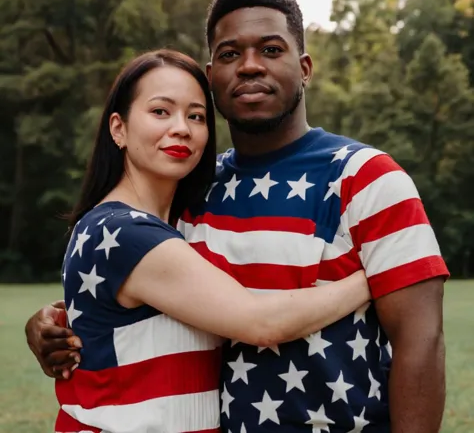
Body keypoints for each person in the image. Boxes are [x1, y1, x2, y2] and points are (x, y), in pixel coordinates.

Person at [25, 0, 448, 433]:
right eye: (229, 54)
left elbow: (421, 342)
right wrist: (52, 325)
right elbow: (133, 294)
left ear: (304, 67)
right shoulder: (192, 190)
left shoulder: (366, 177)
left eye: (270, 49)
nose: (249, 66)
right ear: (212, 77)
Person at [39, 47, 371, 433]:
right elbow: (260, 322)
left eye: (196, 116)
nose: (181, 127)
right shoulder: (122, 232)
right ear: (119, 128)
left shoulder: (175, 226)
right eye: (160, 111)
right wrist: (375, 276)